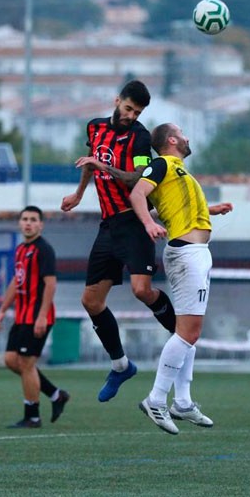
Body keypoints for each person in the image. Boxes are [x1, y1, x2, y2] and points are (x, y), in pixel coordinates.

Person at [61, 79, 177, 402]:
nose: (130, 116)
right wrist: (79, 192)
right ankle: (121, 365)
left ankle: (182, 337)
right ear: (117, 101)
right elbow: (89, 160)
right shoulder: (95, 127)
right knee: (91, 301)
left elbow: (137, 181)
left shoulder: (140, 138)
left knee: (142, 290)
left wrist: (102, 165)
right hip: (108, 225)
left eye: (137, 112)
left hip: (134, 221)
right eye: (128, 109)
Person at [129, 123, 233, 435]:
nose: (188, 137)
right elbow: (138, 193)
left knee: (187, 331)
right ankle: (156, 399)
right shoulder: (161, 164)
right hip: (188, 253)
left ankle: (183, 401)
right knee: (188, 332)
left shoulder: (179, 171)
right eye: (183, 133)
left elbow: (177, 208)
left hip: (195, 252)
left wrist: (210, 210)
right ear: (172, 140)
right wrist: (147, 223)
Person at [0, 206, 70, 428]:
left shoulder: (44, 250)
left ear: (40, 225)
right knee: (11, 360)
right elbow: (16, 283)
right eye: (25, 219)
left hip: (37, 316)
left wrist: (42, 317)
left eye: (33, 219)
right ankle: (56, 395)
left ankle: (32, 416)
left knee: (27, 364)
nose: (28, 223)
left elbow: (50, 284)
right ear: (19, 223)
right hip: (21, 316)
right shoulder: (20, 250)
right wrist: (2, 310)